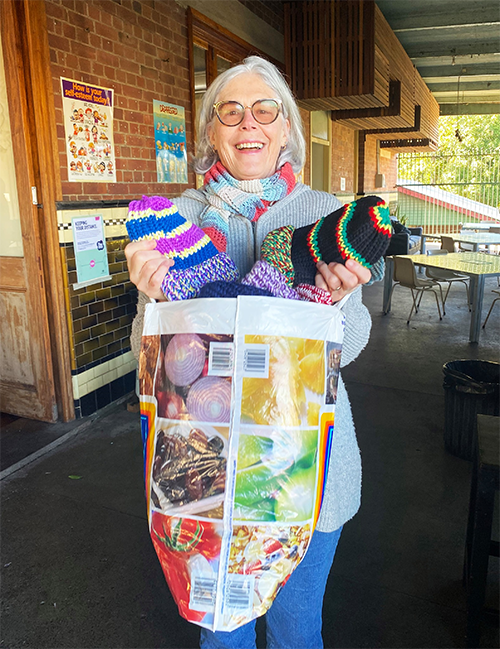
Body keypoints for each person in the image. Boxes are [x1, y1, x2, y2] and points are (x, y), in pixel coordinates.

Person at [125, 55, 384, 649]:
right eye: (231, 112)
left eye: (265, 110)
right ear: (211, 132)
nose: (250, 124)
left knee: (297, 631)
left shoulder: (325, 217)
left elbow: (358, 343)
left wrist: (337, 305)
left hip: (306, 467)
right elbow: (153, 363)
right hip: (205, 472)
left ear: (286, 128)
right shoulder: (174, 221)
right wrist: (153, 302)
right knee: (224, 632)